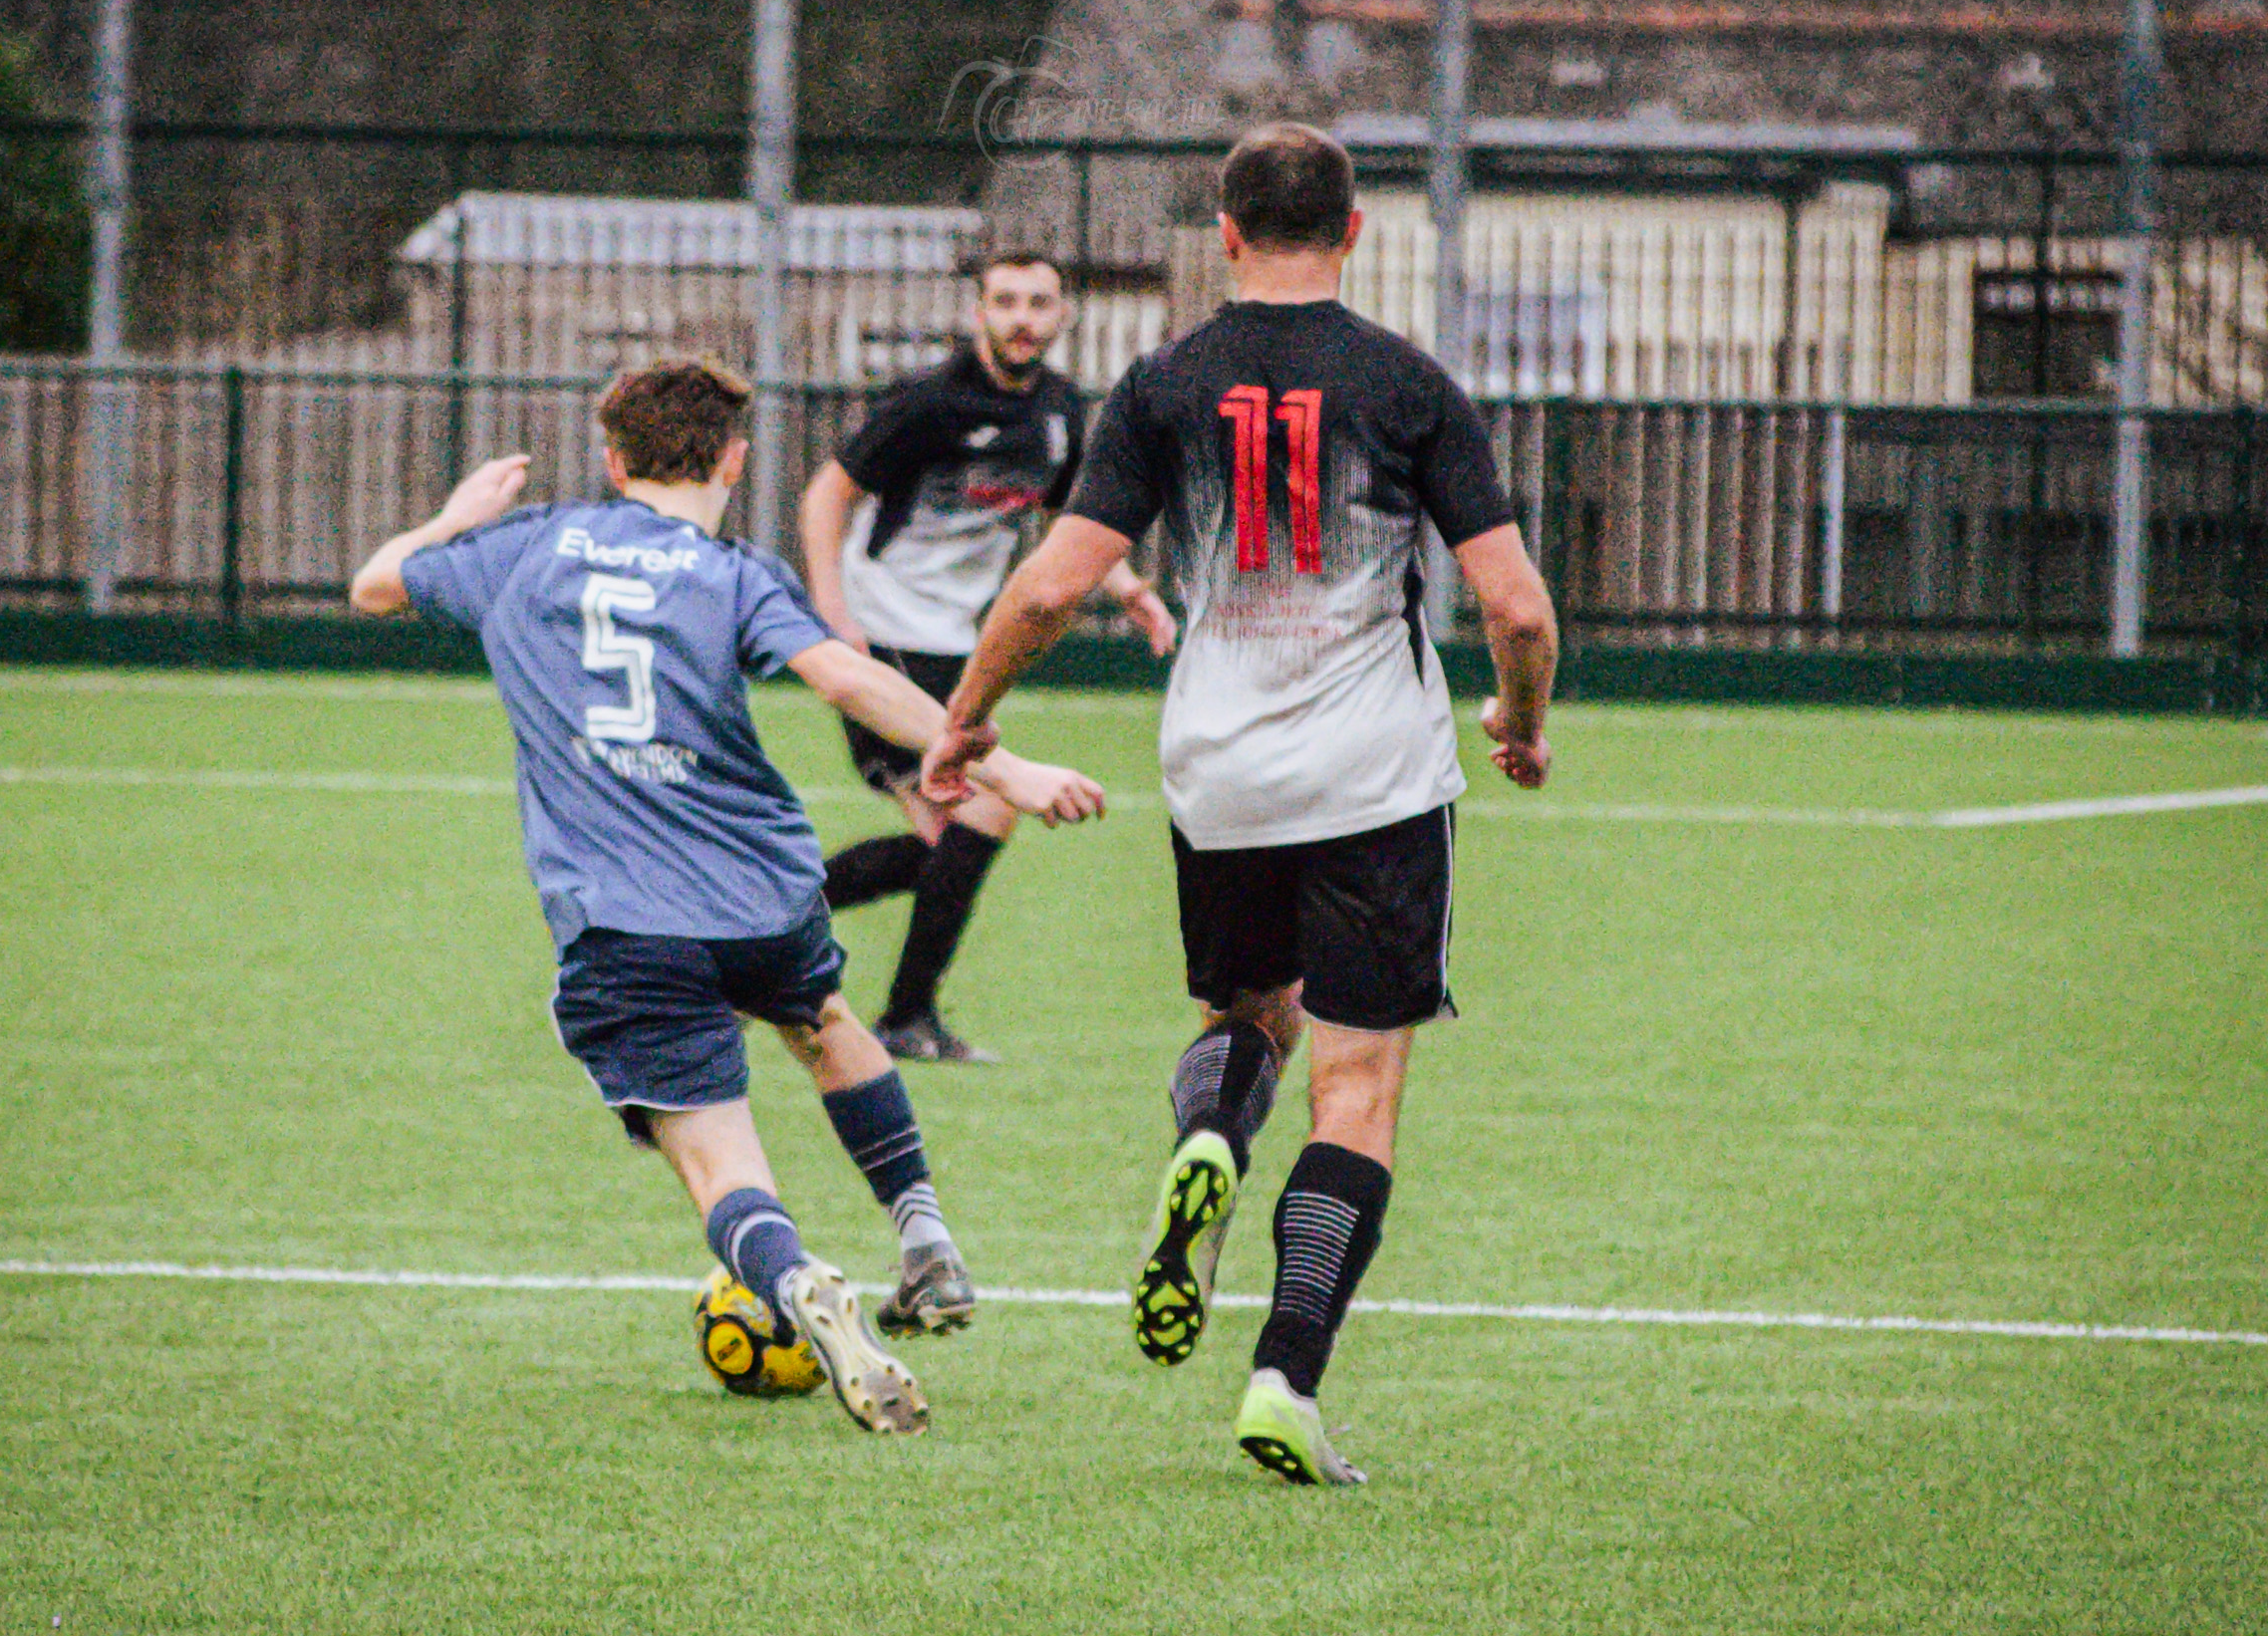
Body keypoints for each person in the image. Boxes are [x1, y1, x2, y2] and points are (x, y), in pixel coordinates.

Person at [922, 125, 1559, 1484]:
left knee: (1243, 1016)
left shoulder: (1162, 384)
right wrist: (1518, 715)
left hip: (1219, 769)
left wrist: (968, 719)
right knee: (1359, 1088)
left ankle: (1210, 1134)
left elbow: (1044, 589)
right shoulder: (1409, 383)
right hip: (1376, 776)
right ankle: (1285, 1376)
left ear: (1222, 230)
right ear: (1356, 231)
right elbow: (1516, 607)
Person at [348, 357, 1106, 1437]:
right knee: (825, 1023)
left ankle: (795, 1282)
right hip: (763, 896)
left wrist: (449, 517)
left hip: (622, 921)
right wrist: (1001, 766)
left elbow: (375, 585)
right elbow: (847, 676)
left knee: (719, 1163)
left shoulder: (522, 548)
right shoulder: (737, 574)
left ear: (612, 460)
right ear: (735, 461)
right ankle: (923, 1231)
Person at [797, 250, 1177, 1063]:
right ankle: (901, 1013)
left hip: (956, 642)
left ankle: (768, 924)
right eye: (1005, 300)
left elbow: (1064, 516)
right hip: (885, 628)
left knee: (948, 844)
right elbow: (825, 494)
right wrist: (832, 612)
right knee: (983, 810)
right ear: (979, 312)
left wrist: (1127, 588)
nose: (1021, 317)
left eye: (1038, 302)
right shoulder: (930, 402)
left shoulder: (1062, 410)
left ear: (1061, 316)